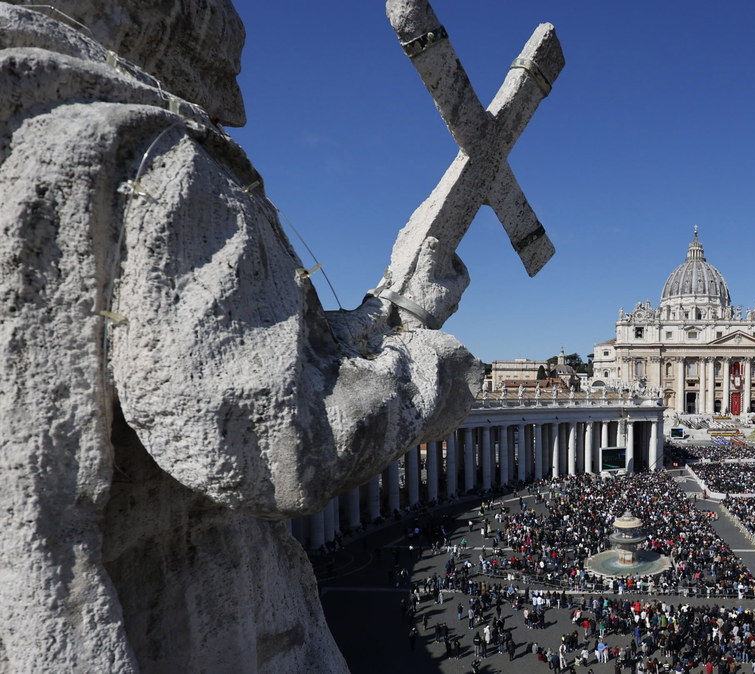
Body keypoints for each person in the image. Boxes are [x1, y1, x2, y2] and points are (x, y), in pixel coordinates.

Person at [2, 1, 485, 672]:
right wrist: (430, 374)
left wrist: (391, 309)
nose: (236, 102)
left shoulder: (26, 115)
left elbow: (271, 354)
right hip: (186, 615)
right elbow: (277, 441)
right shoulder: (148, 152)